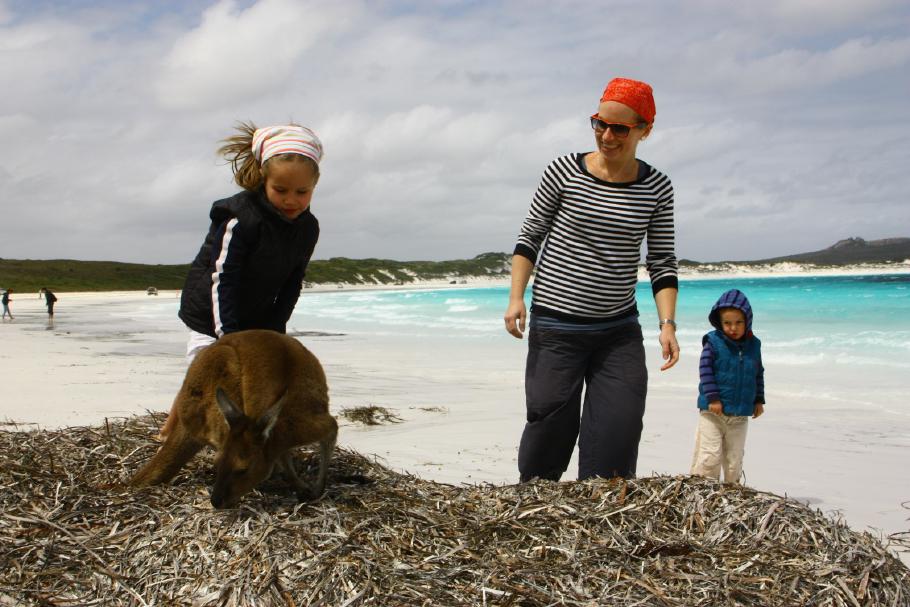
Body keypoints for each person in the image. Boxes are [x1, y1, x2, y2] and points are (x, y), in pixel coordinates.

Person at [504, 77, 680, 482]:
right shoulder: (563, 170)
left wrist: (667, 324)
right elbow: (530, 236)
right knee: (548, 432)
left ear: (644, 130)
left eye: (620, 127)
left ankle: (599, 528)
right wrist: (517, 297)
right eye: (599, 123)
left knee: (617, 435)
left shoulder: (657, 187)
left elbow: (662, 260)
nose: (607, 135)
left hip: (617, 331)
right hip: (556, 326)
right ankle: (535, 511)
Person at [157, 122, 324, 439]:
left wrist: (275, 329)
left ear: (314, 186)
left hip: (256, 311)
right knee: (203, 373)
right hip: (210, 309)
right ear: (264, 181)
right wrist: (228, 336)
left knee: (253, 376)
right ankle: (170, 434)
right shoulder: (241, 218)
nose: (291, 200)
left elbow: (292, 282)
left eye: (302, 192)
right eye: (281, 190)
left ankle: (237, 437)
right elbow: (223, 279)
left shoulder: (308, 228)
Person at [690, 289, 765, 484]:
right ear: (719, 323)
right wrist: (713, 398)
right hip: (713, 412)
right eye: (727, 323)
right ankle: (702, 491)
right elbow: (705, 369)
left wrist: (758, 400)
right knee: (710, 456)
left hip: (739, 415)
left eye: (738, 322)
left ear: (747, 320)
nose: (733, 328)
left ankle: (732, 492)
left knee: (734, 459)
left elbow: (758, 373)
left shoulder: (754, 345)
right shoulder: (714, 342)